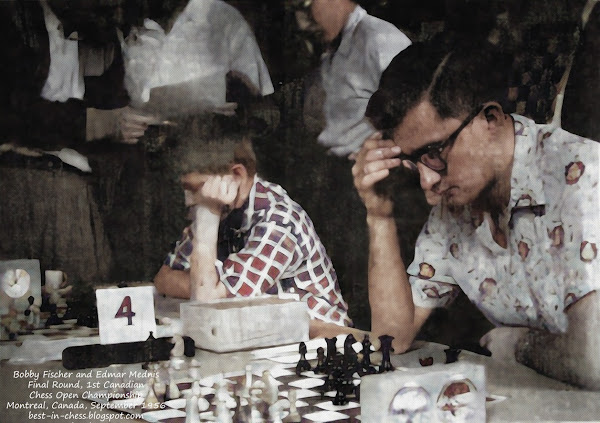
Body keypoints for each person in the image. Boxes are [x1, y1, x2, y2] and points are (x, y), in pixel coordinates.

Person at [352, 41, 600, 389]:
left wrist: (517, 344)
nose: (427, 182)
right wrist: (377, 215)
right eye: (413, 162)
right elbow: (392, 339)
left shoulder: (583, 177)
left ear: (490, 119)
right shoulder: (454, 208)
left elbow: (594, 360)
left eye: (435, 152)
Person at [154, 131, 357, 337]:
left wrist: (208, 216)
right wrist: (214, 285)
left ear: (237, 175)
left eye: (195, 189)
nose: (189, 201)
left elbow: (207, 305)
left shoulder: (278, 220)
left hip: (321, 340)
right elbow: (163, 279)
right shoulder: (220, 207)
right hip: (264, 337)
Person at [291, 0, 411, 328]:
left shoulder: (379, 39)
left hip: (372, 181)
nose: (302, 22)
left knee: (365, 289)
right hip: (328, 180)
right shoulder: (327, 51)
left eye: (306, 6)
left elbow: (416, 112)